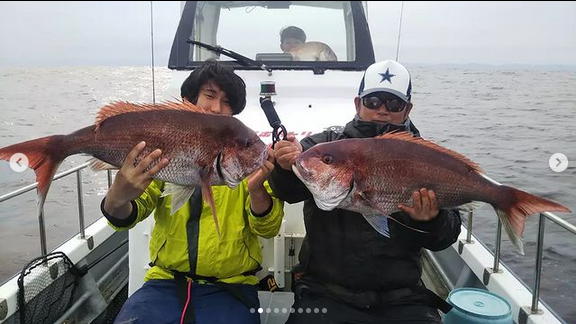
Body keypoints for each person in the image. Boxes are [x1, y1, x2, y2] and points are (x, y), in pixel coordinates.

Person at [268, 60, 461, 323]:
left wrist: (432, 219)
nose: (382, 110)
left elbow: (445, 237)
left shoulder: (425, 157)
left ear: (407, 109)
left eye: (394, 104)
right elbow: (287, 191)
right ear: (358, 104)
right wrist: (284, 166)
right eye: (373, 101)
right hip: (325, 292)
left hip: (403, 298)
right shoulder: (324, 147)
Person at [102, 60, 284, 324]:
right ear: (191, 100)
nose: (216, 107)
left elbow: (267, 229)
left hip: (232, 287)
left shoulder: (244, 152)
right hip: (164, 282)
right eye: (209, 96)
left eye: (227, 102)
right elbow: (132, 212)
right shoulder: (167, 146)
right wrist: (116, 198)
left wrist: (256, 190)